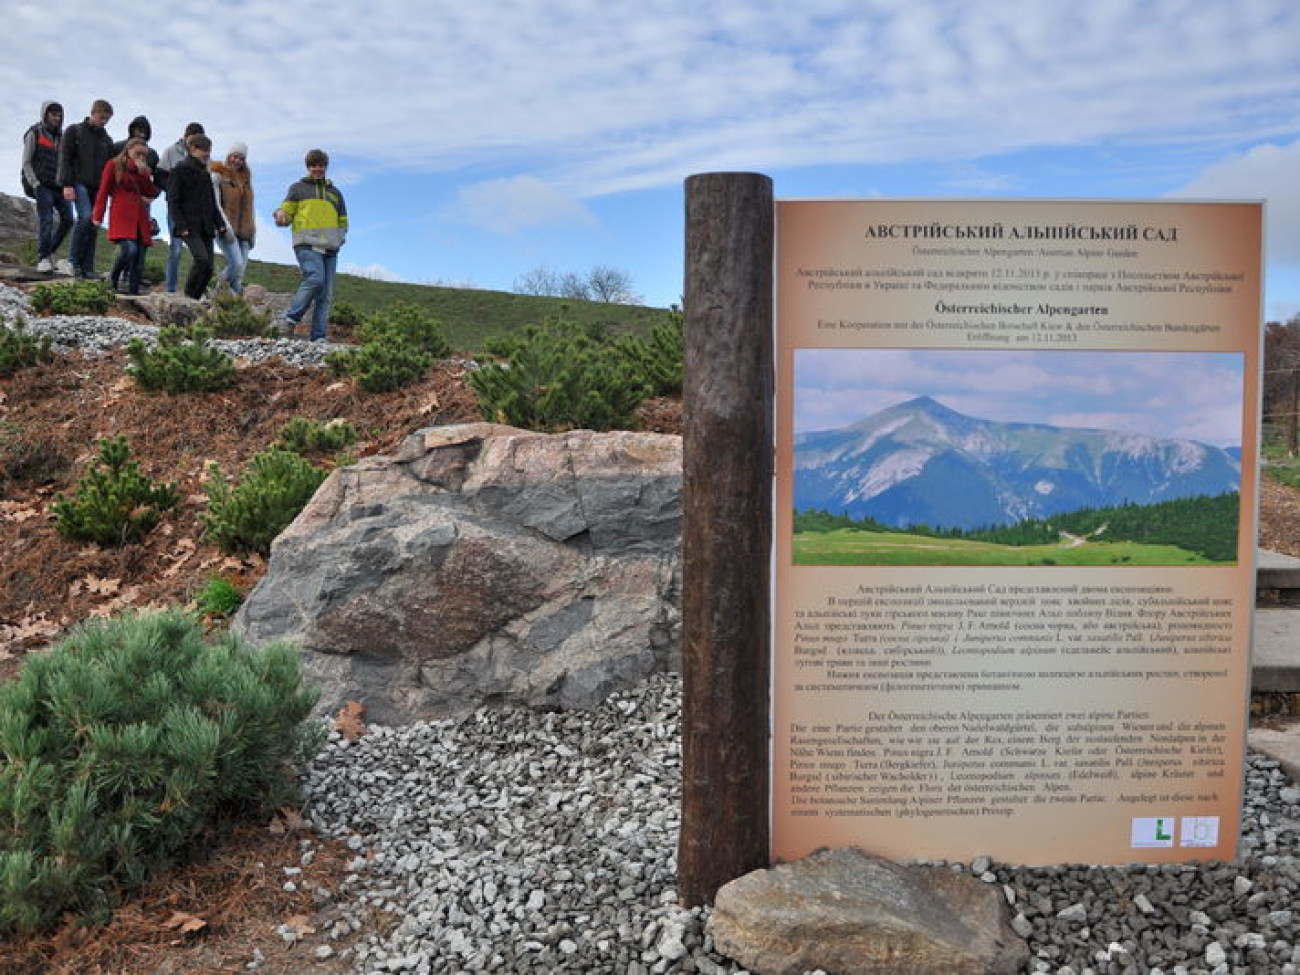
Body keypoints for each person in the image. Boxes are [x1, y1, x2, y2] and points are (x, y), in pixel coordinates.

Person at [274, 148, 347, 341]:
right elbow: (286, 211)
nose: (318, 169)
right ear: (308, 167)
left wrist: (340, 237)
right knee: (315, 279)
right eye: (314, 165)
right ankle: (290, 318)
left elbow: (343, 220)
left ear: (326, 166)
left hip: (331, 249)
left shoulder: (336, 193)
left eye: (321, 165)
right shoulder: (298, 188)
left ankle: (318, 337)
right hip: (306, 244)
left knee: (325, 295)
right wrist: (280, 215)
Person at [91, 138, 160, 295]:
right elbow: (103, 191)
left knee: (139, 257)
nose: (141, 157)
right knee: (129, 249)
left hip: (140, 217)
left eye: (144, 154)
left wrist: (145, 175)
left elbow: (151, 192)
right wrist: (98, 215)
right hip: (121, 214)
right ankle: (113, 278)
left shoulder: (142, 171)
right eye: (138, 153)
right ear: (128, 150)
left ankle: (133, 292)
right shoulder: (113, 165)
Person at [56, 99, 115, 279]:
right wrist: (66, 184)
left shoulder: (107, 140)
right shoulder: (75, 131)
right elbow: (65, 157)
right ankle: (73, 262)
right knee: (85, 217)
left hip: (97, 188)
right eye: (102, 117)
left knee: (93, 226)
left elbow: (110, 167)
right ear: (93, 112)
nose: (104, 121)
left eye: (107, 119)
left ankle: (87, 267)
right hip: (78, 182)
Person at [167, 134, 227, 300]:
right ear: (193, 149)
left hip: (206, 227)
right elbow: (172, 201)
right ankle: (186, 298)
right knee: (201, 260)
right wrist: (181, 225)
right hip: (189, 227)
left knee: (208, 269)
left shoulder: (205, 174)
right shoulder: (179, 170)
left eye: (209, 150)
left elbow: (212, 203)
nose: (207, 154)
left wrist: (220, 223)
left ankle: (193, 301)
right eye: (204, 150)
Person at [20, 101, 73, 273]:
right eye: (53, 114)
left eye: (59, 115)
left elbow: (65, 163)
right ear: (45, 115)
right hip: (41, 184)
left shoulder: (62, 137)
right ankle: (43, 258)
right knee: (47, 219)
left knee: (68, 219)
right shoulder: (34, 133)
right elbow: (26, 162)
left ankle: (49, 252)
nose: (56, 118)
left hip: (58, 185)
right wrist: (35, 183)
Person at [157, 122, 204, 292]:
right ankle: (171, 288)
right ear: (186, 136)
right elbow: (159, 175)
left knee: (199, 252)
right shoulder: (171, 151)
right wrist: (172, 188)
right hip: (175, 207)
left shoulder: (202, 156)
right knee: (176, 248)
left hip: (195, 210)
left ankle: (193, 290)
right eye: (193, 139)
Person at [210, 142, 255, 294]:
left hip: (245, 232)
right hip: (225, 228)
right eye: (235, 156)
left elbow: (250, 208)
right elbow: (215, 203)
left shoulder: (246, 180)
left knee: (239, 275)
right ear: (229, 156)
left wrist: (252, 232)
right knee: (236, 264)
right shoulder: (218, 175)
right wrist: (224, 226)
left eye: (241, 158)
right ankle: (217, 293)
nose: (237, 161)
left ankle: (233, 308)